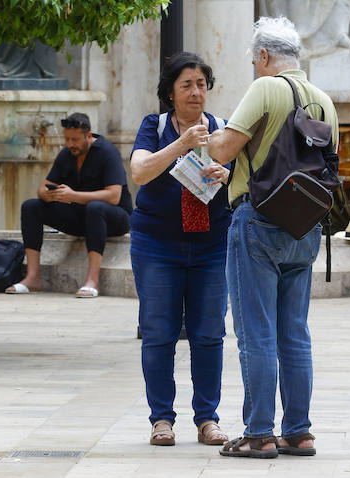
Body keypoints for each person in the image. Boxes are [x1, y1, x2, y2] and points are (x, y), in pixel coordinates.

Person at [208, 15, 338, 459]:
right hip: (304, 227)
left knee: (256, 333)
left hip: (258, 222)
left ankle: (260, 433)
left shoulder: (265, 88)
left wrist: (206, 142)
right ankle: (299, 431)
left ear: (263, 55)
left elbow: (225, 149)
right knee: (295, 334)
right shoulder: (325, 100)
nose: (254, 67)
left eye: (254, 60)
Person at [129, 51, 231, 449]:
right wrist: (183, 144)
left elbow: (247, 173)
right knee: (158, 333)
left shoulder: (223, 128)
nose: (195, 92)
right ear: (170, 92)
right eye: (186, 84)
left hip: (212, 245)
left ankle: (207, 418)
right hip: (157, 245)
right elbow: (139, 171)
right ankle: (161, 420)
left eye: (202, 84)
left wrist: (228, 172)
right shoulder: (153, 127)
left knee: (209, 333)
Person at [7, 111, 132, 298]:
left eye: (75, 139)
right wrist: (50, 195)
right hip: (82, 218)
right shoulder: (67, 153)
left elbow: (114, 196)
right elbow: (42, 188)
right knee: (31, 207)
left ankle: (93, 280)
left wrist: (73, 195)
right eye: (67, 139)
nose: (70, 144)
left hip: (115, 218)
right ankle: (33, 277)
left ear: (88, 136)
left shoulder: (107, 152)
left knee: (95, 207)